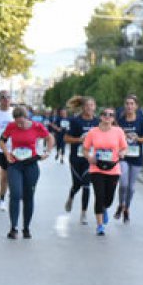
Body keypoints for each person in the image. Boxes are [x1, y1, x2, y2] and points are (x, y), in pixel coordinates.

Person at [0, 104, 51, 239]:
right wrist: (6, 154)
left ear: (26, 118)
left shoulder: (36, 127)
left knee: (28, 196)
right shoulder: (11, 126)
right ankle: (13, 228)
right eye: (17, 122)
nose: (19, 125)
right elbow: (2, 140)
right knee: (15, 194)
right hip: (15, 164)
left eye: (21, 122)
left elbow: (49, 137)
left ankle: (26, 228)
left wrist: (47, 152)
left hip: (31, 164)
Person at [82, 107, 128, 236]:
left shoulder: (118, 131)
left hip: (113, 169)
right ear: (100, 116)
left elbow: (124, 147)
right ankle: (100, 225)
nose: (107, 116)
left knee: (108, 199)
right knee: (99, 196)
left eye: (111, 115)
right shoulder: (93, 132)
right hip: (96, 168)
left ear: (113, 118)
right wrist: (89, 157)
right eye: (105, 114)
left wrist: (122, 153)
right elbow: (85, 149)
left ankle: (104, 208)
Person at [115, 94, 143, 222]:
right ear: (124, 105)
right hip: (123, 156)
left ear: (136, 106)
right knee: (123, 184)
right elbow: (114, 137)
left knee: (131, 187)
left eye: (132, 104)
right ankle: (121, 204)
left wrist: (137, 138)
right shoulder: (120, 120)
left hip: (136, 157)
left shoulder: (140, 121)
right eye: (127, 103)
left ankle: (126, 208)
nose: (129, 106)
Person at [62, 96, 97, 224]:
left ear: (95, 107)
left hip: (90, 158)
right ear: (83, 107)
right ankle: (71, 196)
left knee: (86, 184)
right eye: (87, 105)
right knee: (77, 184)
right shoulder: (75, 121)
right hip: (76, 157)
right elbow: (66, 138)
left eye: (91, 105)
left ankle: (83, 213)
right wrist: (80, 140)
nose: (89, 108)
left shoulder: (98, 122)